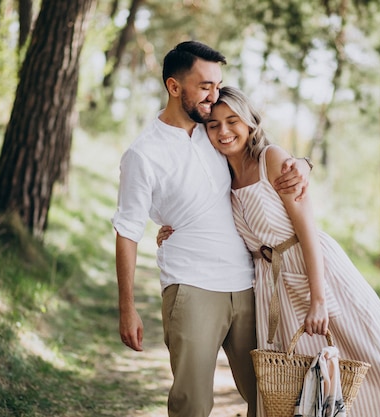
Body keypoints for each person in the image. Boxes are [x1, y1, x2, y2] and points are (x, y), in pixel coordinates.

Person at [158, 86, 380, 417]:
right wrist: (175, 228)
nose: (224, 131)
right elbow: (207, 217)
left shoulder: (271, 159)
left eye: (232, 121)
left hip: (313, 271)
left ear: (250, 123)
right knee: (302, 383)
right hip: (272, 288)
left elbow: (307, 231)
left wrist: (319, 300)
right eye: (214, 125)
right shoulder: (219, 175)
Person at [112, 41, 312, 417]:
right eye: (205, 86)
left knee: (271, 397)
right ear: (174, 87)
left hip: (250, 284)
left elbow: (261, 153)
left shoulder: (214, 131)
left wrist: (303, 163)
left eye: (217, 85)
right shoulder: (143, 154)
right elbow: (127, 230)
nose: (214, 94)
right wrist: (127, 309)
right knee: (192, 402)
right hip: (191, 285)